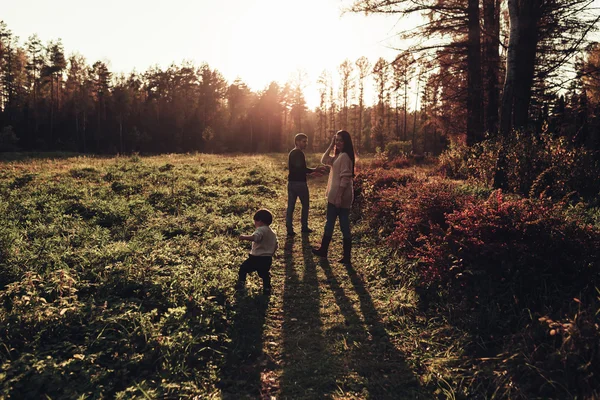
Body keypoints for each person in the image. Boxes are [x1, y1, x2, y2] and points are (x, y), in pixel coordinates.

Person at [312, 130, 355, 264]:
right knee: (329, 223)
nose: (338, 142)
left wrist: (339, 197)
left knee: (343, 226)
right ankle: (323, 250)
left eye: (341, 140)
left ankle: (346, 257)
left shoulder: (345, 157)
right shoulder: (338, 156)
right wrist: (331, 145)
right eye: (337, 140)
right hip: (334, 196)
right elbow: (324, 160)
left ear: (346, 142)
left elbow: (345, 178)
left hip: (340, 197)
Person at [286, 133, 325, 236]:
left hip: (291, 183)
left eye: (306, 141)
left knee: (291, 207)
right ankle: (304, 227)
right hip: (300, 184)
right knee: (305, 205)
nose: (306, 144)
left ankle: (289, 229)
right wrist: (314, 170)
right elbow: (302, 169)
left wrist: (312, 172)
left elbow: (298, 169)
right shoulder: (299, 153)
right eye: (304, 141)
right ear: (297, 142)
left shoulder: (291, 153)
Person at [237, 209, 279, 294]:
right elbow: (276, 245)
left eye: (255, 221)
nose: (255, 224)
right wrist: (271, 253)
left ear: (259, 221)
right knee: (264, 273)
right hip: (267, 258)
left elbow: (256, 238)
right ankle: (267, 288)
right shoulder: (272, 233)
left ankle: (241, 284)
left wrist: (244, 237)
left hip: (256, 257)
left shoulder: (261, 229)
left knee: (243, 268)